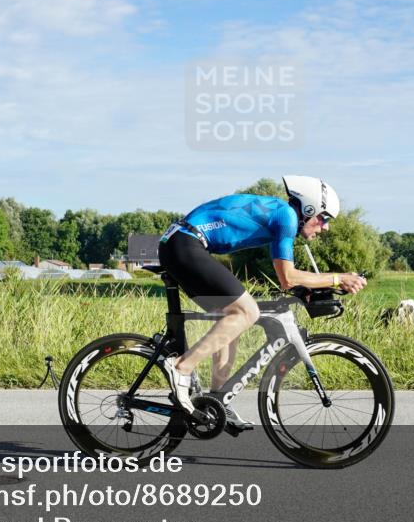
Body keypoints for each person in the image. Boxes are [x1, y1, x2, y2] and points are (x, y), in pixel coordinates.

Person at [156, 175, 367, 432]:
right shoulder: (286, 217)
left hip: (181, 243)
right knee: (247, 311)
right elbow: (287, 278)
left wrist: (312, 287)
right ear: (309, 209)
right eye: (323, 219)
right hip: (186, 244)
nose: (325, 227)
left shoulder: (279, 215)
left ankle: (216, 400)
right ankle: (181, 367)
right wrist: (337, 278)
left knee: (231, 318)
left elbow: (286, 277)